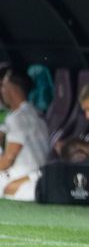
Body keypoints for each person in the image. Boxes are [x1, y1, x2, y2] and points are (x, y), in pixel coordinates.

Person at [0, 68, 50, 201]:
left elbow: (8, 159)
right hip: (41, 175)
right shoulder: (37, 113)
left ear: (11, 88)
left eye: (3, 86)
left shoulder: (17, 118)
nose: (1, 91)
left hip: (23, 179)